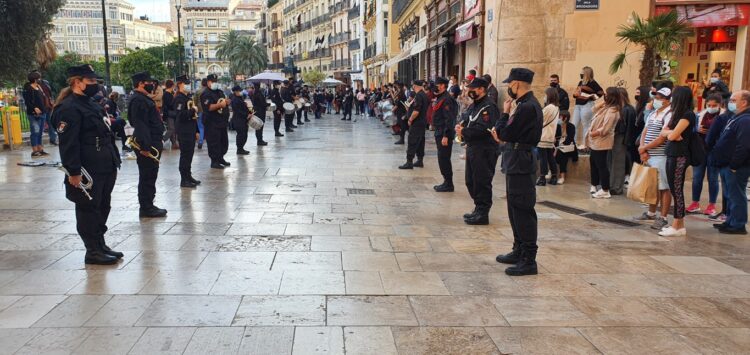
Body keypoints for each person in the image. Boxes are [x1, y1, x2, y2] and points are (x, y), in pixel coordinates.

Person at [51, 64, 123, 264]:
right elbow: (68, 143)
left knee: (103, 205)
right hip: (88, 167)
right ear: (77, 82)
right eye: (90, 81)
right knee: (88, 208)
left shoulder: (91, 104)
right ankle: (92, 250)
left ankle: (99, 243)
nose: (95, 85)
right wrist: (73, 171)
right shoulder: (69, 108)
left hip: (105, 162)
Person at [492, 68, 543, 276]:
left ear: (516, 84)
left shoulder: (527, 107)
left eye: (509, 85)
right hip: (516, 160)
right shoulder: (524, 105)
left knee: (522, 210)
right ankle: (519, 249)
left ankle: (529, 259)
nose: (508, 89)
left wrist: (504, 114)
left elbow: (504, 133)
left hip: (521, 161)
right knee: (515, 208)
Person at [456, 77, 501, 225]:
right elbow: (465, 118)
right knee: (471, 181)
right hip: (473, 148)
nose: (470, 91)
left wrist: (465, 131)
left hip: (485, 149)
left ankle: (483, 213)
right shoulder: (474, 105)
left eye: (473, 89)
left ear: (482, 89)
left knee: (482, 181)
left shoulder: (489, 107)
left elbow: (483, 130)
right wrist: (460, 127)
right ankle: (478, 208)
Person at [127, 71, 167, 218]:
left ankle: (149, 204)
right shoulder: (139, 100)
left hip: (152, 140)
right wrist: (145, 146)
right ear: (141, 84)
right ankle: (146, 207)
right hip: (147, 143)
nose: (152, 85)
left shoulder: (142, 98)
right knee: (147, 175)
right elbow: (141, 124)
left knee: (151, 174)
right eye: (149, 82)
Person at [658, 86, 695, 237]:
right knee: (674, 189)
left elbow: (673, 136)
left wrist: (671, 133)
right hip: (671, 154)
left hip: (680, 156)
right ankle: (679, 225)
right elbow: (664, 132)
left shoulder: (688, 114)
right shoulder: (676, 114)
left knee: (677, 190)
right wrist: (670, 133)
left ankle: (677, 225)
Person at [635, 87, 673, 230]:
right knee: (652, 186)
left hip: (660, 155)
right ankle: (651, 213)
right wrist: (642, 148)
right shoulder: (653, 114)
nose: (657, 100)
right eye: (656, 97)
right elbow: (645, 131)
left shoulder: (669, 114)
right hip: (649, 155)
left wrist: (645, 148)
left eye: (661, 98)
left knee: (664, 187)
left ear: (668, 100)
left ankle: (662, 217)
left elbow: (662, 138)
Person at [714, 90, 750, 234]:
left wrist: (734, 165)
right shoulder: (737, 117)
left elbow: (744, 145)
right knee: (729, 194)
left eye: (734, 100)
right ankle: (730, 220)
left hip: (736, 166)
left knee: (736, 195)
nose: (730, 102)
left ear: (744, 102)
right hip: (726, 164)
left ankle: (738, 224)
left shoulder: (746, 120)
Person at [687, 94, 722, 215]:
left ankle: (712, 205)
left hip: (714, 151)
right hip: (700, 150)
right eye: (709, 105)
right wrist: (697, 129)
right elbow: (690, 130)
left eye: (714, 105)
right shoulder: (699, 115)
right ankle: (695, 202)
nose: (711, 107)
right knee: (697, 178)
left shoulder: (723, 117)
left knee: (712, 179)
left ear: (720, 105)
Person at [586, 87, 622, 199]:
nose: (604, 96)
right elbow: (593, 109)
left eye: (606, 94)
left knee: (601, 165)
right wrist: (602, 101)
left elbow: (605, 129)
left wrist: (593, 133)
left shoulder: (612, 111)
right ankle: (594, 185)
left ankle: (605, 189)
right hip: (595, 142)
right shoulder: (606, 107)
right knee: (594, 162)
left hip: (601, 141)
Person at [431, 77, 458, 192]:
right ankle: (446, 181)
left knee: (444, 158)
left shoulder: (447, 99)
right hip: (439, 131)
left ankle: (449, 183)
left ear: (442, 86)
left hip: (443, 132)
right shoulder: (441, 97)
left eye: (437, 84)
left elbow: (449, 119)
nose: (435, 86)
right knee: (442, 158)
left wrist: (446, 135)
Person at [173, 75, 201, 188]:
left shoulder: (187, 97)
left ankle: (188, 176)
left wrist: (197, 130)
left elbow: (194, 117)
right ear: (180, 84)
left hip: (190, 129)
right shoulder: (179, 98)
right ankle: (184, 179)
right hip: (184, 130)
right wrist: (192, 110)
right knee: (185, 155)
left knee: (190, 155)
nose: (188, 85)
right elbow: (180, 116)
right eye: (186, 83)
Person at [201, 74, 231, 169]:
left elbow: (223, 101)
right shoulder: (206, 94)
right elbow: (208, 107)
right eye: (213, 81)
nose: (215, 83)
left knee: (223, 142)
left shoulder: (219, 92)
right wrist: (220, 105)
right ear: (208, 82)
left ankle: (220, 158)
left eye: (216, 81)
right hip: (212, 122)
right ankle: (214, 161)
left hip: (221, 121)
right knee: (214, 142)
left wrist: (226, 102)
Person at [399, 80, 430, 169]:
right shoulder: (424, 94)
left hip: (417, 122)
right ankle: (420, 160)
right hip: (422, 122)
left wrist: (410, 119)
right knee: (420, 141)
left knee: (412, 141)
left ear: (415, 86)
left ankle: (409, 162)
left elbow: (416, 111)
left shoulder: (419, 96)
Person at [572, 66, 604, 148]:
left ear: (586, 73)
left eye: (582, 72)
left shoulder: (593, 83)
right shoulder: (580, 82)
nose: (581, 74)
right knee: (573, 125)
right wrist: (576, 94)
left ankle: (585, 145)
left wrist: (590, 97)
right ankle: (573, 144)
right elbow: (576, 92)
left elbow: (600, 92)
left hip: (587, 105)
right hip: (578, 105)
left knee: (586, 125)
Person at [610, 87, 635, 195]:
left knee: (619, 164)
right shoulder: (619, 108)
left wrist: (626, 141)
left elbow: (630, 127)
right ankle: (612, 185)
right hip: (614, 138)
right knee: (613, 163)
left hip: (621, 138)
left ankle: (617, 187)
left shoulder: (628, 109)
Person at [23, 71, 51, 157]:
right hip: (34, 114)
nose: (40, 79)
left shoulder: (39, 87)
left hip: (43, 113)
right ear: (35, 79)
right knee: (35, 132)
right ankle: (34, 151)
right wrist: (34, 108)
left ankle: (40, 149)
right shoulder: (29, 89)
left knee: (40, 132)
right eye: (39, 78)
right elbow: (27, 101)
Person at [537, 87, 560, 186]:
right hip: (550, 135)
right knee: (550, 157)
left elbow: (540, 120)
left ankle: (542, 178)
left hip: (543, 135)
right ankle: (554, 176)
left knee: (543, 157)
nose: (544, 97)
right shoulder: (556, 108)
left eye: (545, 95)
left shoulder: (548, 108)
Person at [627, 86, 651, 165]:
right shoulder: (637, 106)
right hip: (634, 141)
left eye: (638, 93)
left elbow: (646, 123)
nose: (636, 95)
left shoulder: (647, 108)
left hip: (640, 141)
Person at [555, 113, 577, 184]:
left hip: (569, 148)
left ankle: (562, 176)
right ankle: (551, 172)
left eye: (560, 117)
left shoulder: (571, 126)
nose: (558, 119)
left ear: (565, 118)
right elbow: (556, 138)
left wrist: (559, 147)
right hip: (558, 147)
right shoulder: (557, 126)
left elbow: (570, 139)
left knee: (562, 154)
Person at [230, 85, 251, 155]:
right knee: (241, 135)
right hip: (238, 120)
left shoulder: (239, 98)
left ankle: (241, 148)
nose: (241, 92)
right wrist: (246, 115)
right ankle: (239, 149)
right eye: (239, 91)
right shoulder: (235, 99)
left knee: (244, 134)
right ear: (236, 92)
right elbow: (238, 110)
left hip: (243, 119)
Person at [161, 80, 177, 148]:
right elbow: (170, 104)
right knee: (171, 129)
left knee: (173, 128)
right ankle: (162, 141)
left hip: (170, 113)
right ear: (172, 85)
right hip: (169, 114)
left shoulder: (170, 93)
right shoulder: (167, 94)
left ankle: (174, 143)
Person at [193, 79, 207, 149]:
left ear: (202, 83)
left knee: (201, 127)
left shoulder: (198, 91)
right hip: (208, 111)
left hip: (200, 110)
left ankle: (200, 142)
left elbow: (194, 101)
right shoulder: (209, 91)